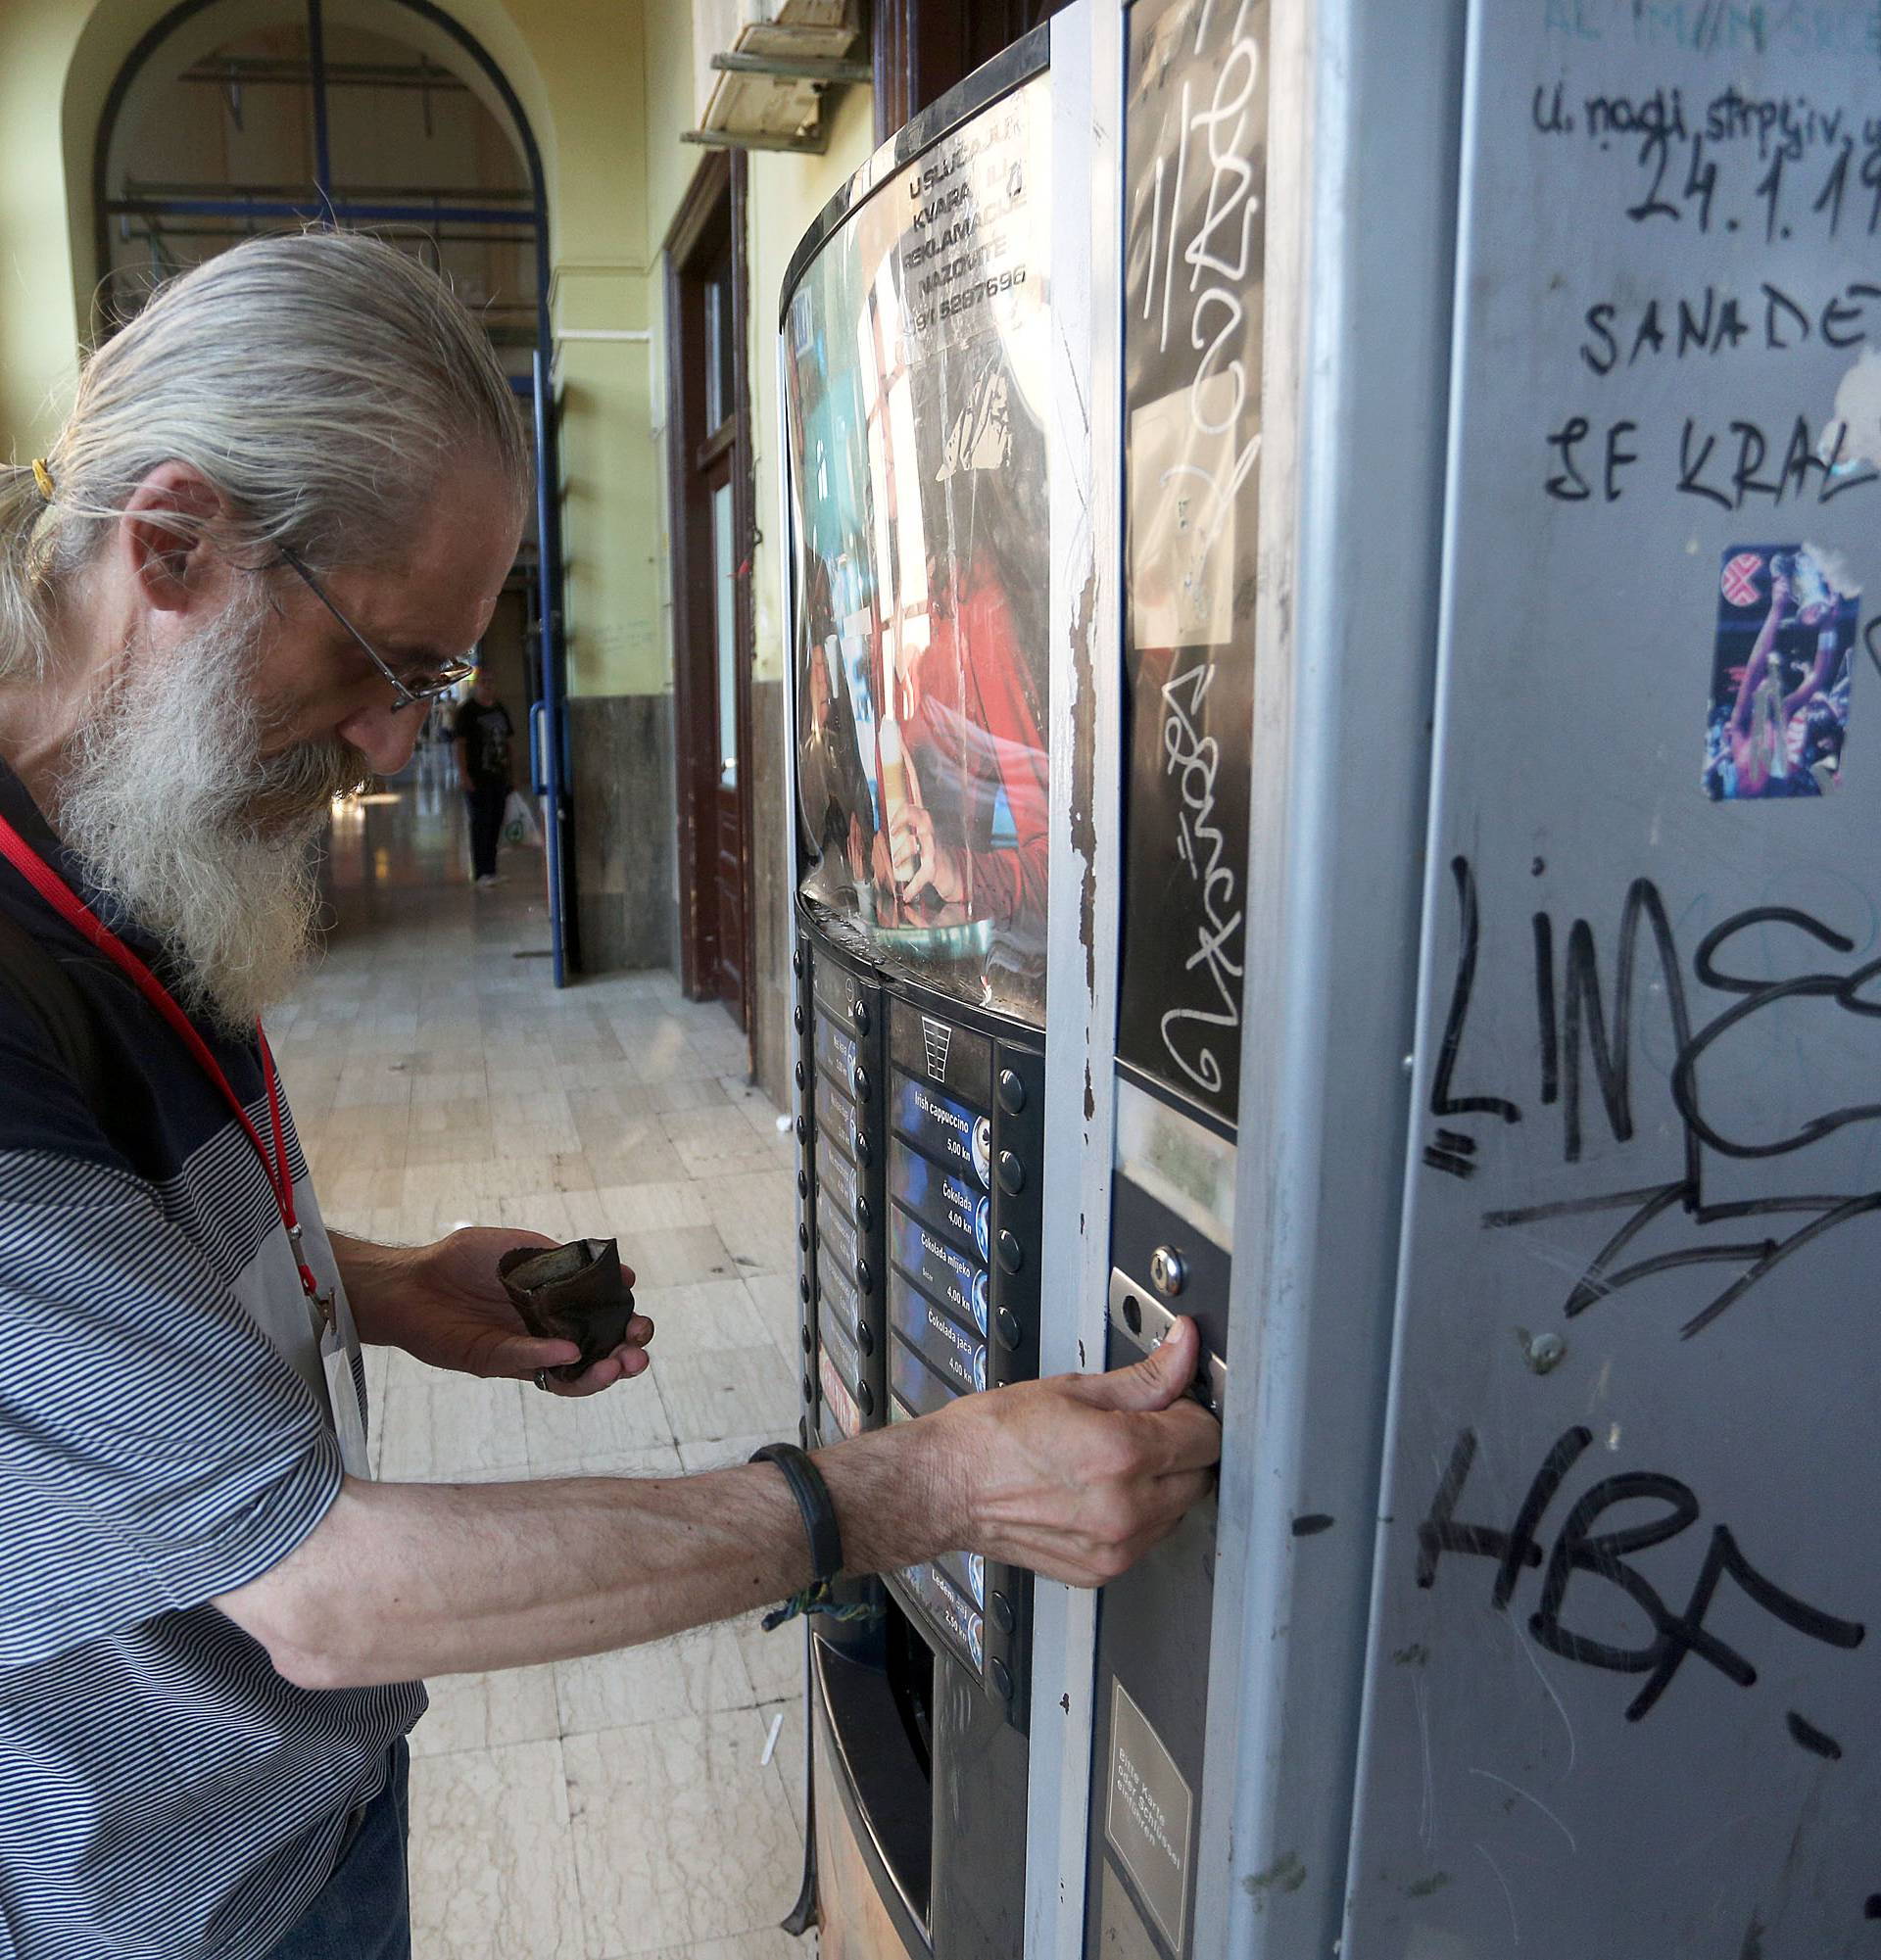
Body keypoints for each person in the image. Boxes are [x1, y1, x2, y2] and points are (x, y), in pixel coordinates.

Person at [0, 232, 1220, 1960]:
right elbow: (324, 1591)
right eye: (391, 661)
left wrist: (386, 1285)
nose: (397, 749)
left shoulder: (121, 822)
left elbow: (98, 1283)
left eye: (439, 682)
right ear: (176, 543)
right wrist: (913, 1491)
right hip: (138, 1895)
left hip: (284, 1819)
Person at [452, 665, 513, 884]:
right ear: (477, 684)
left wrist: (511, 772)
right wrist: (464, 774)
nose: (488, 686)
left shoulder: (500, 709)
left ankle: (492, 869)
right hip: (478, 777)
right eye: (483, 682)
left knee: (496, 823)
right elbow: (460, 745)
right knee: (481, 824)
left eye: (491, 682)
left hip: (499, 776)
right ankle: (481, 871)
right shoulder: (467, 712)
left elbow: (508, 742)